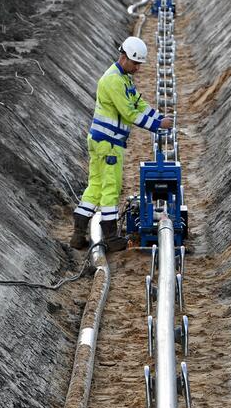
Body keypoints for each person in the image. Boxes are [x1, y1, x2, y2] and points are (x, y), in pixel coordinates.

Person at [70, 36, 174, 252]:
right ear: (124, 56)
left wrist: (159, 117)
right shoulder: (113, 81)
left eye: (139, 64)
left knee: (96, 185)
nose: (137, 68)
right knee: (111, 186)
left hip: (102, 141)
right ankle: (110, 235)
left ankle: (78, 234)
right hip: (108, 143)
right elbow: (129, 113)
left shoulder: (123, 78)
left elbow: (138, 103)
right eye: (135, 63)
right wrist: (157, 126)